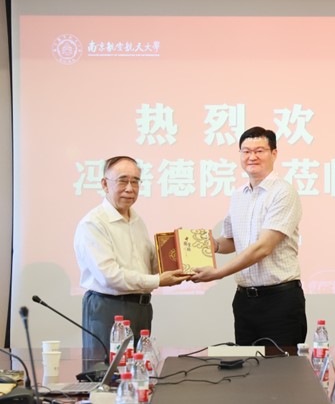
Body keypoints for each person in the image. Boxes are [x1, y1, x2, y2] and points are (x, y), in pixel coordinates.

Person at [191, 126, 307, 347]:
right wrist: (210, 245)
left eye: (259, 151)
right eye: (246, 151)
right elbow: (231, 241)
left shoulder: (283, 192)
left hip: (279, 301)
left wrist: (218, 273)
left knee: (281, 366)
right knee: (247, 365)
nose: (252, 157)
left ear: (274, 153)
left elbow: (263, 248)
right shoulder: (239, 195)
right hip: (244, 301)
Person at [74, 155, 189, 364]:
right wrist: (158, 281)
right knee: (105, 373)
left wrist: (173, 249)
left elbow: (148, 265)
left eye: (135, 181)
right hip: (109, 307)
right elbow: (110, 276)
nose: (130, 188)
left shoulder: (136, 220)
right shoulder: (93, 224)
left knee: (138, 371)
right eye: (122, 181)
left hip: (141, 308)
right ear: (104, 184)